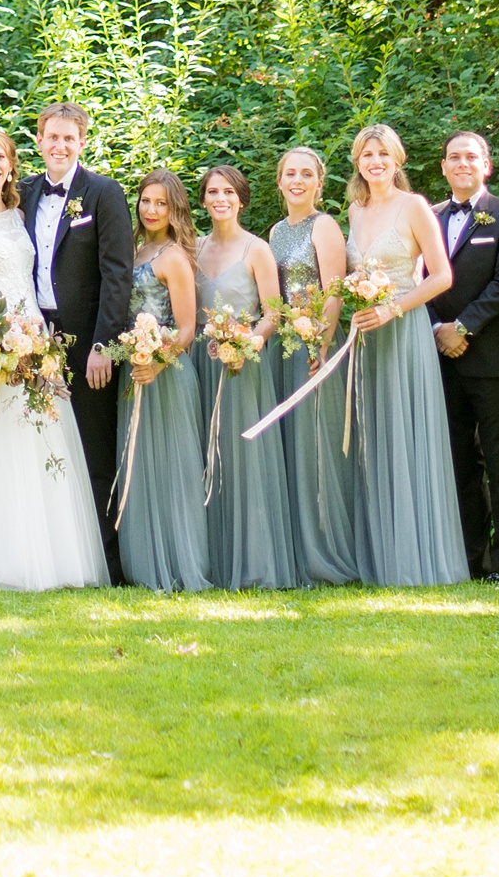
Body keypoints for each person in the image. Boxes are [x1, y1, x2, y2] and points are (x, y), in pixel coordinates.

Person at [0, 127, 108, 590]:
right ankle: (8, 561)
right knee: (0, 450)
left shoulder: (19, 214)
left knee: (42, 444)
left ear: (11, 163)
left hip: (34, 340)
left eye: (0, 157)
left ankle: (54, 559)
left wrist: (42, 344)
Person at [341, 126, 468, 587]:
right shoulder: (355, 211)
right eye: (367, 154)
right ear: (358, 161)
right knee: (374, 439)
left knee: (406, 433)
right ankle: (378, 555)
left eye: (383, 154)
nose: (375, 161)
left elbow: (442, 277)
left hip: (404, 329)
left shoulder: (413, 206)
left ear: (397, 160)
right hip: (367, 336)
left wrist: (393, 307)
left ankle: (417, 556)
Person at [19, 103, 133, 581]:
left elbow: (117, 274)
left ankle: (108, 565)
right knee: (38, 447)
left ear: (82, 142)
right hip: (31, 337)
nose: (60, 145)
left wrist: (104, 346)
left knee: (94, 453)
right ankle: (52, 559)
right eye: (52, 137)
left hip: (87, 343)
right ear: (39, 139)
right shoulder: (22, 193)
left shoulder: (103, 193)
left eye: (69, 138)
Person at [431, 131, 499, 584]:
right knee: (457, 462)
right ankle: (470, 560)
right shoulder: (428, 216)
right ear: (444, 167)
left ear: (486, 165)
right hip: (439, 358)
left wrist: (463, 328)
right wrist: (437, 328)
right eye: (454, 157)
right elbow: (415, 276)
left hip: (491, 359)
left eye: (471, 157)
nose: (463, 164)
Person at [195, 163, 297, 590]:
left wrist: (250, 343)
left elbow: (274, 311)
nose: (221, 199)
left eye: (229, 192)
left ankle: (253, 561)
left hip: (244, 364)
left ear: (241, 199)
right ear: (202, 200)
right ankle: (211, 558)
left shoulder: (257, 248)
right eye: (213, 192)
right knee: (205, 454)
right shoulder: (193, 247)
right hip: (201, 361)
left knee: (243, 459)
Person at [115, 170, 210, 593]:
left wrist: (157, 360)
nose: (151, 210)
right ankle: (145, 564)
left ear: (175, 210)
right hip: (133, 371)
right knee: (140, 468)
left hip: (167, 373)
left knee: (173, 470)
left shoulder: (173, 256)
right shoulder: (135, 250)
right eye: (146, 201)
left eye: (161, 204)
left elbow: (187, 328)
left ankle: (179, 562)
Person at [269, 145, 355, 584]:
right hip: (282, 346)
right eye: (290, 173)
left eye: (306, 173)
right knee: (290, 448)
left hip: (314, 346)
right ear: (280, 181)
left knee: (316, 446)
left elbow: (334, 291)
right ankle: (296, 549)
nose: (297, 180)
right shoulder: (276, 230)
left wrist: (319, 343)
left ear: (319, 183)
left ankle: (327, 551)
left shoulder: (324, 226)